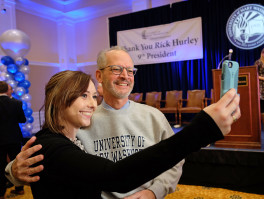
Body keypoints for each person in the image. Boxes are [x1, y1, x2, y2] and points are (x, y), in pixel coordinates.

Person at [12, 70, 240, 199]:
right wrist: (201, 130)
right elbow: (116, 176)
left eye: (93, 96)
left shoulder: (66, 139)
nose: (92, 104)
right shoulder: (50, 145)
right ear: (61, 98)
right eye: (83, 95)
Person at [6, 46, 185, 199]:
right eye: (116, 69)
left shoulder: (154, 117)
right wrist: (13, 170)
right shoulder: (81, 119)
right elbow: (43, 157)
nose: (125, 76)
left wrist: (154, 192)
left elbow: (175, 159)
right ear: (99, 75)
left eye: (130, 71)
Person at [0, 81, 26, 199]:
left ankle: (1, 192)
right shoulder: (16, 103)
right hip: (14, 137)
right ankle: (19, 189)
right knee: (17, 162)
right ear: (7, 90)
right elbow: (22, 120)